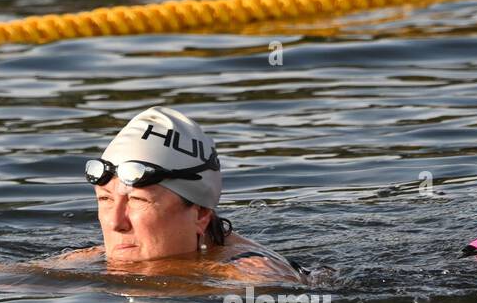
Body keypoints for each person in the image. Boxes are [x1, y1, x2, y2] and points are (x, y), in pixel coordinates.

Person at [32, 106, 307, 284]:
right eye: (105, 199)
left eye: (138, 200)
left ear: (199, 214)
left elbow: (271, 285)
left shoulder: (254, 270)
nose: (116, 222)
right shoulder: (86, 259)